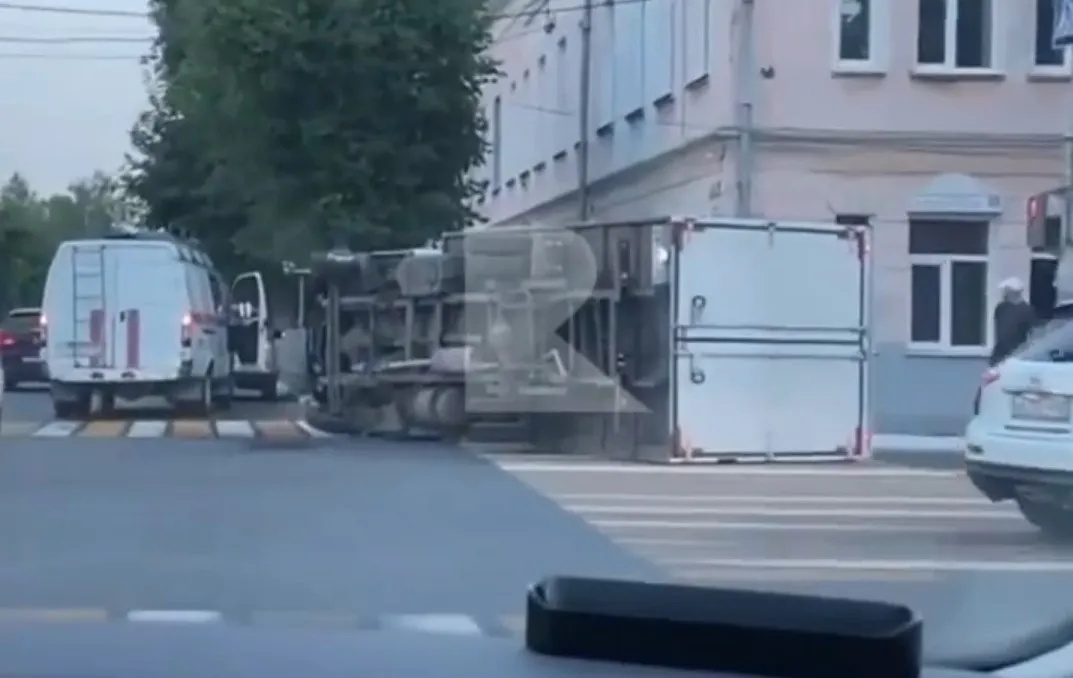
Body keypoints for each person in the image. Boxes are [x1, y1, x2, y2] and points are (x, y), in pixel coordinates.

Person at [990, 277, 1036, 366]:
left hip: (1017, 355)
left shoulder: (1027, 311)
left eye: (1006, 291)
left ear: (1013, 292)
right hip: (999, 355)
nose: (1004, 294)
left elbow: (1031, 334)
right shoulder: (1001, 308)